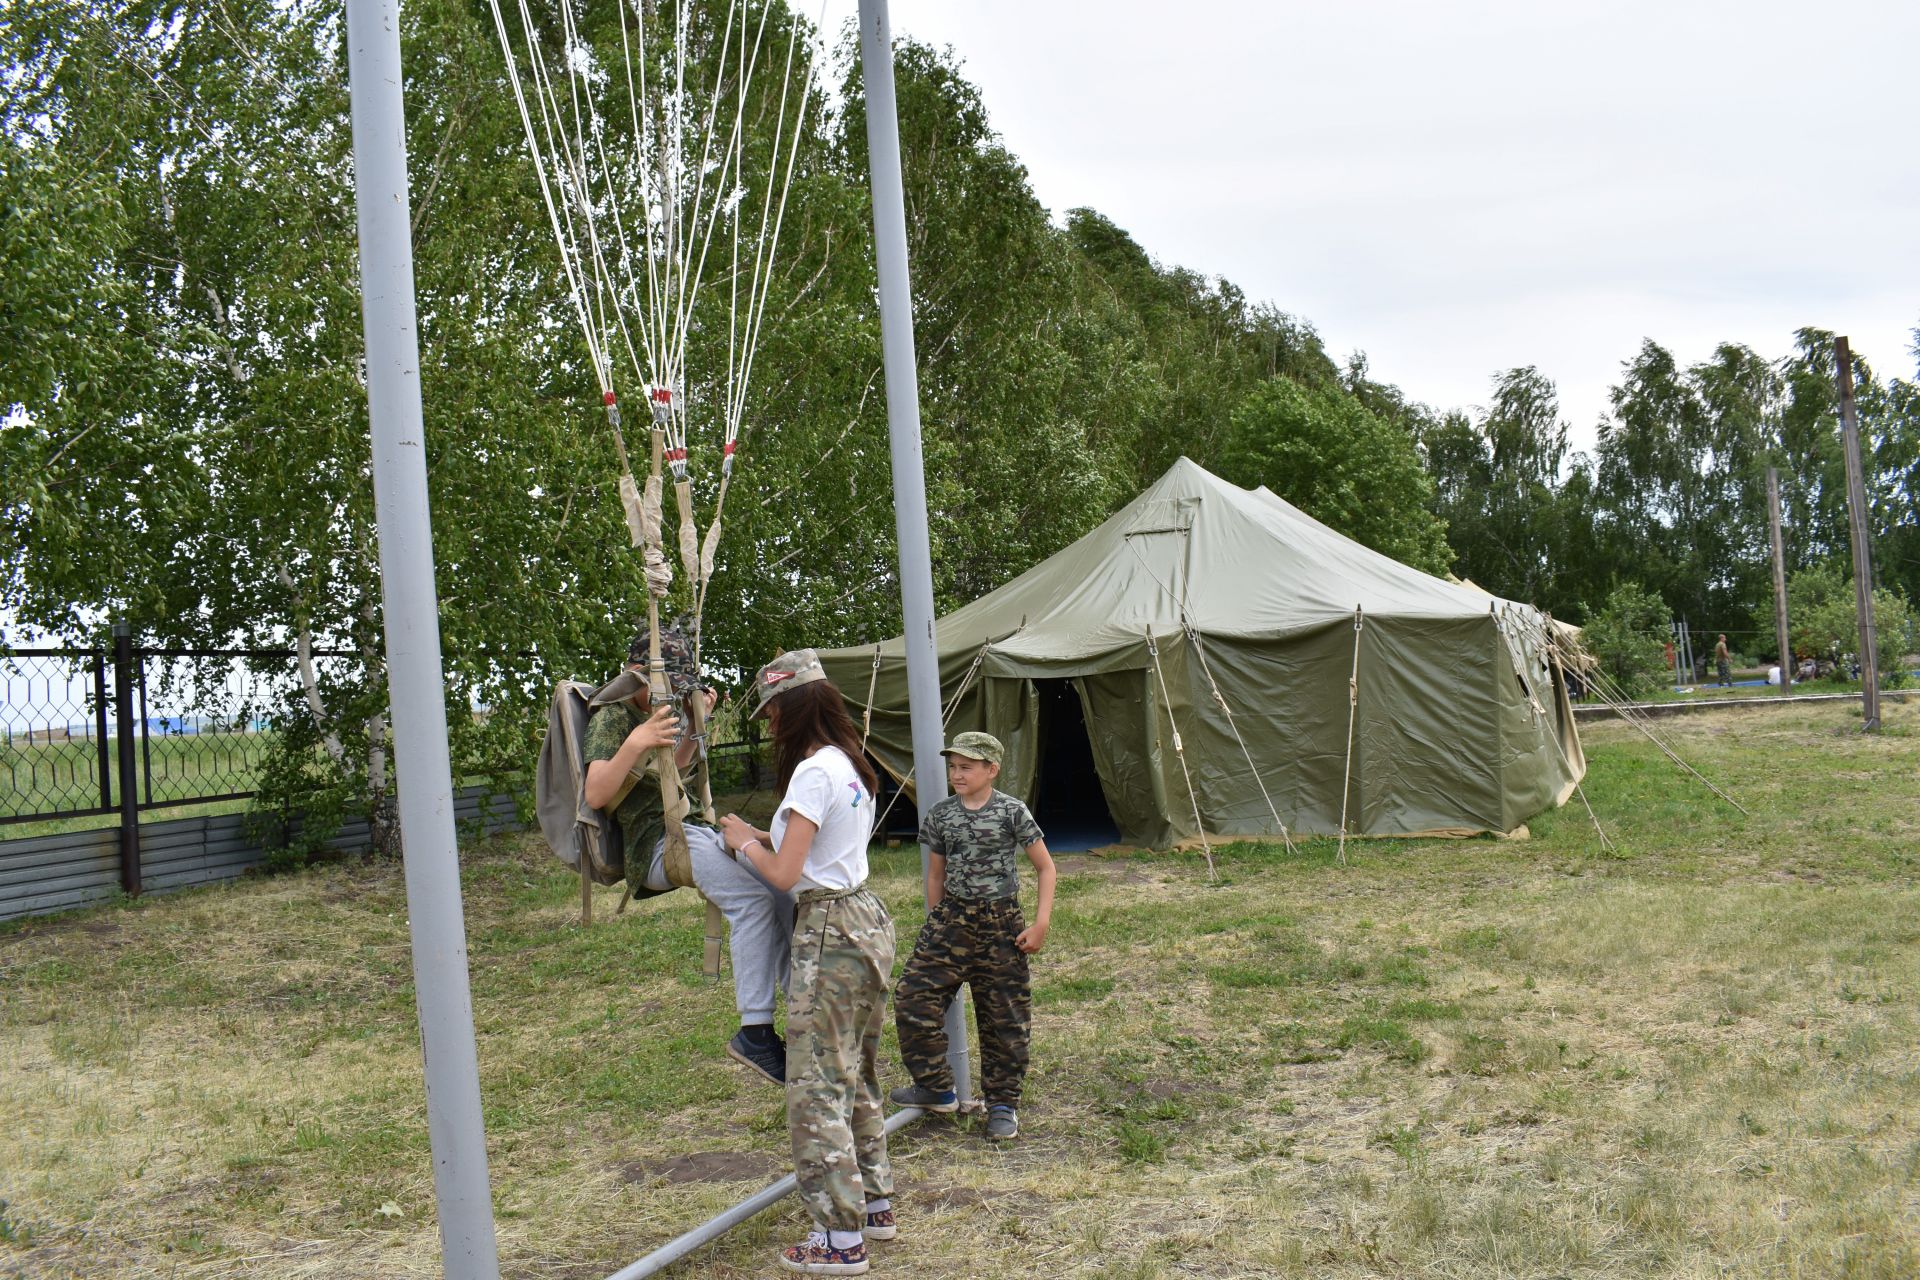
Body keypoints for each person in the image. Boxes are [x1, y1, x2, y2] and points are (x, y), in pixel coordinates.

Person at [719, 649, 893, 1276]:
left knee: (817, 1083)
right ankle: (874, 1203)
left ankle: (840, 1240)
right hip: (865, 918)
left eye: (770, 713)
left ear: (790, 708)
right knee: (857, 1067)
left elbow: (788, 874)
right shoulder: (849, 765)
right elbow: (821, 845)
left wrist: (742, 847)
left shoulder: (810, 773)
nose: (768, 726)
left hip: (828, 929)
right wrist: (766, 834)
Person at [582, 622, 793, 1086]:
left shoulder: (661, 710)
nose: (676, 694)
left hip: (686, 827)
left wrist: (696, 726)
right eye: (672, 686)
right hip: (656, 845)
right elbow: (596, 793)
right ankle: (755, 1032)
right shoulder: (613, 717)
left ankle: (803, 1011)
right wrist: (637, 740)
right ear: (640, 673)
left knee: (780, 890)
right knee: (752, 902)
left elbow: (670, 771)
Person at [888, 730, 1056, 1143]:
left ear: (991, 769)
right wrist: (935, 922)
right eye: (953, 767)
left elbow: (1046, 868)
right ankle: (936, 1086)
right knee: (913, 997)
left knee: (1004, 1018)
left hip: (1001, 925)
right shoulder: (942, 815)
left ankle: (1002, 1105)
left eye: (966, 767)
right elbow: (935, 874)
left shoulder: (1012, 812)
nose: (957, 774)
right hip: (952, 920)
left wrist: (1040, 924)